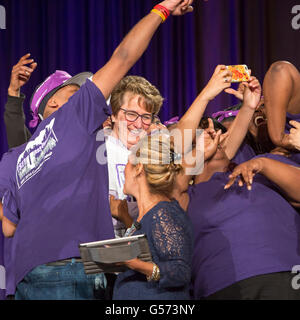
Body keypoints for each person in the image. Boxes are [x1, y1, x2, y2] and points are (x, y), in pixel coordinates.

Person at [0, 0, 194, 300]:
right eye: (76, 90)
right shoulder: (73, 115)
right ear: (53, 103)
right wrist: (162, 9)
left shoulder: (13, 158)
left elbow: (10, 227)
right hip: (73, 268)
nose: (92, 98)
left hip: (27, 276)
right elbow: (123, 57)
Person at [174, 80, 300, 299]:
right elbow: (172, 166)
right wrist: (206, 97)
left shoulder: (265, 168)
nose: (214, 136)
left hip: (287, 277)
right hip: (223, 286)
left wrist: (263, 165)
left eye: (218, 133)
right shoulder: (187, 196)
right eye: (201, 137)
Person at [112, 133, 193, 300]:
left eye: (128, 162)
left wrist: (133, 263)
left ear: (139, 168)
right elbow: (150, 247)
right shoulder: (150, 215)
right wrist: (125, 217)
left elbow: (180, 271)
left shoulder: (163, 213)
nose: (124, 169)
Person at [4, 54, 37, 148]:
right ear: (52, 101)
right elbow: (19, 148)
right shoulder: (42, 147)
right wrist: (13, 92)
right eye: (73, 91)